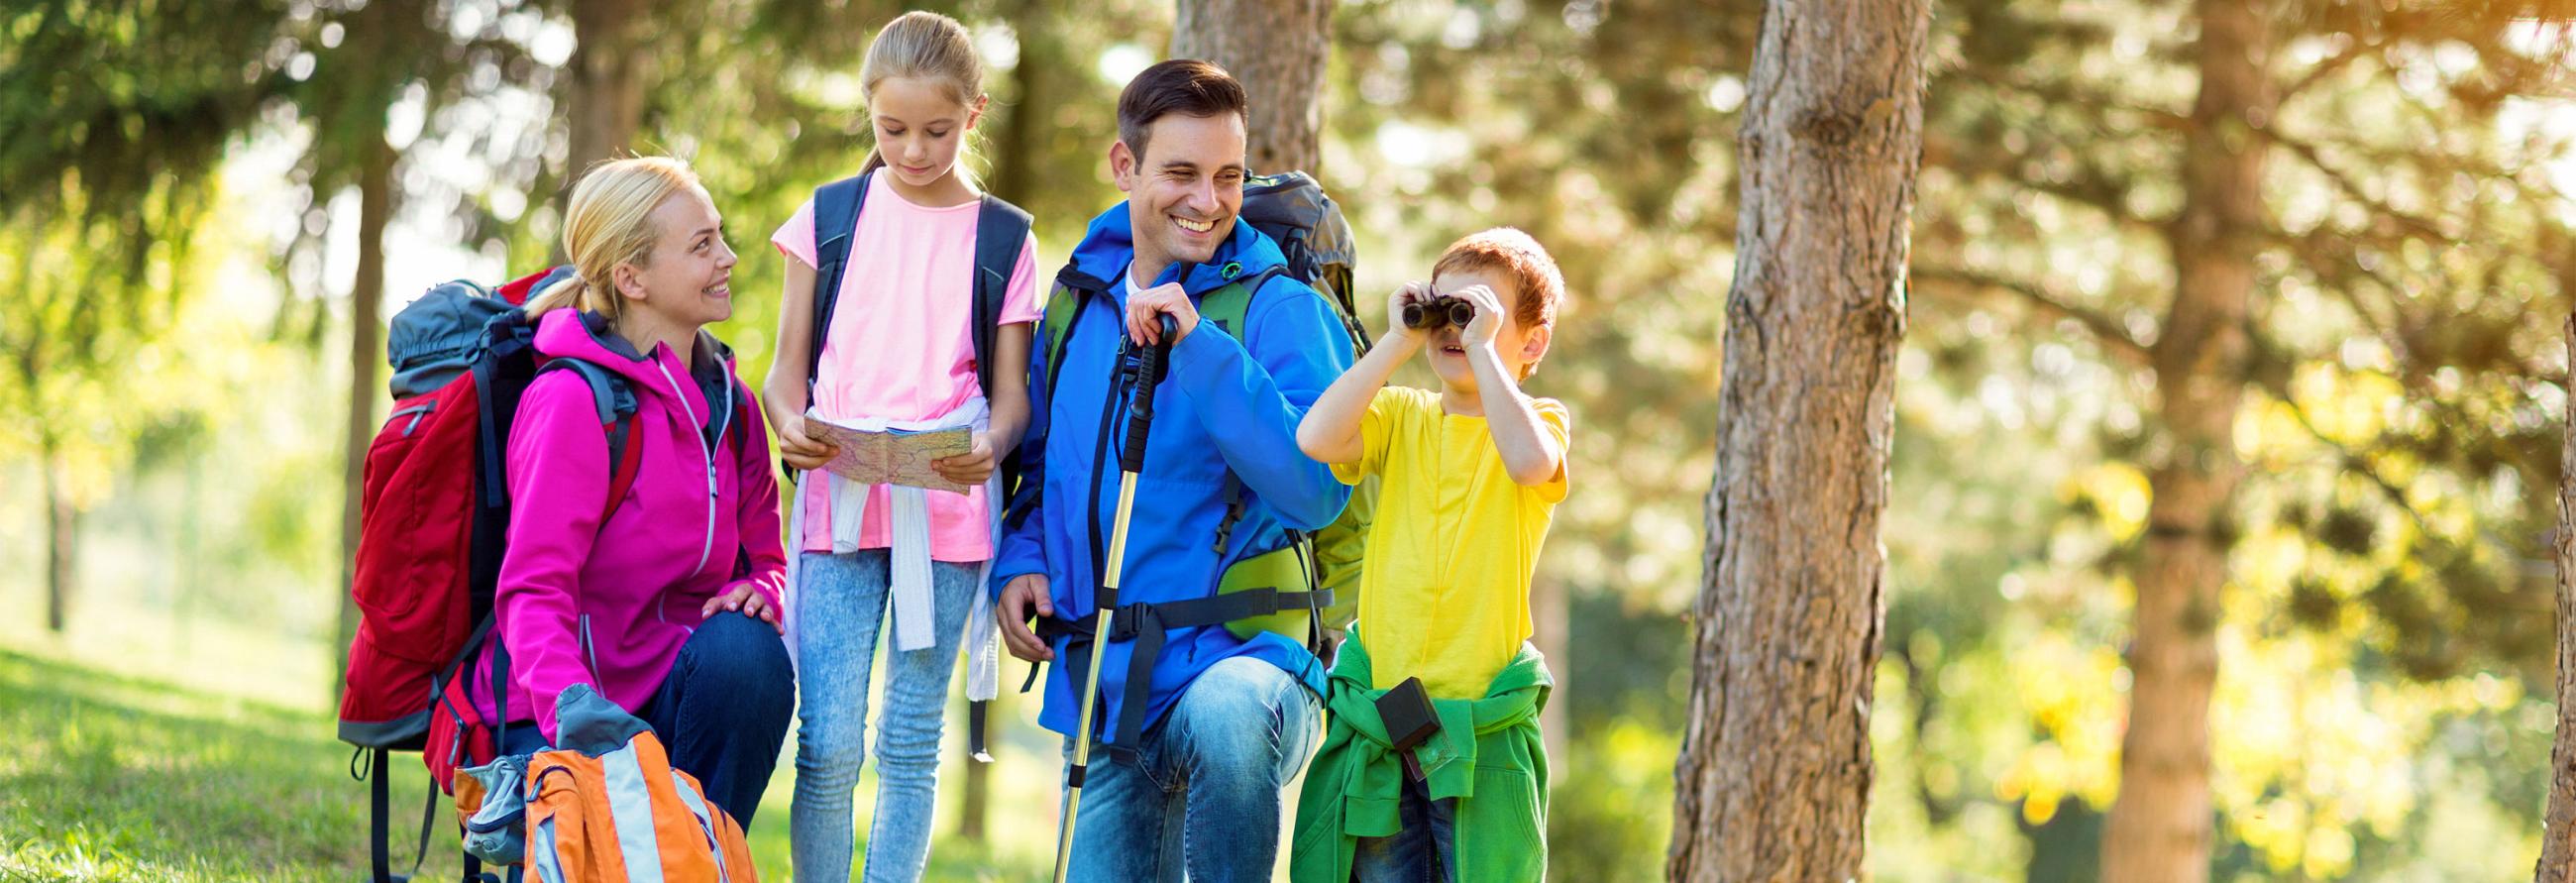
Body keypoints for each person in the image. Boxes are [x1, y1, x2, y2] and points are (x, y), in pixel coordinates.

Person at [991, 58, 1355, 881]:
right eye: (1181, 173)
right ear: (1125, 166)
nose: (1208, 201)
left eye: (1228, 176)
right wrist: (1021, 563)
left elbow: (1318, 489)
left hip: (1244, 663)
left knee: (1226, 714)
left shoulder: (1279, 306)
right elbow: (1047, 466)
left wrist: (1199, 348)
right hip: (1108, 688)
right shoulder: (1080, 299)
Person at [760, 10, 1039, 882]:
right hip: (839, 502)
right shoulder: (830, 216)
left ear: (975, 114)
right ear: (869, 114)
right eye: (892, 130)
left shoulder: (1005, 236)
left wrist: (990, 445)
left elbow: (1012, 396)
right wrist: (791, 423)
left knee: (911, 741)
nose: (914, 150)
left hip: (945, 504)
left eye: (937, 130)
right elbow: (784, 373)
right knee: (830, 739)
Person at [486, 155, 794, 825]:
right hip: (569, 707)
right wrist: (574, 708)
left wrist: (761, 591)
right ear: (632, 277)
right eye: (702, 244)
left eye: (721, 235)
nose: (731, 257)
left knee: (749, 654)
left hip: (678, 694)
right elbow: (532, 590)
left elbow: (768, 561)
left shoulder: (732, 408)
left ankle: (699, 858)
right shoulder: (572, 401)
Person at [1289, 228, 1571, 881]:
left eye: (1477, 314)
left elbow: (1531, 463)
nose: (1456, 329)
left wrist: (1485, 353)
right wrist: (1396, 339)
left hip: (1474, 728)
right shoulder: (1402, 415)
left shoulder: (1540, 423)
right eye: (1446, 310)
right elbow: (1315, 436)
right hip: (1389, 716)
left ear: (1531, 342)